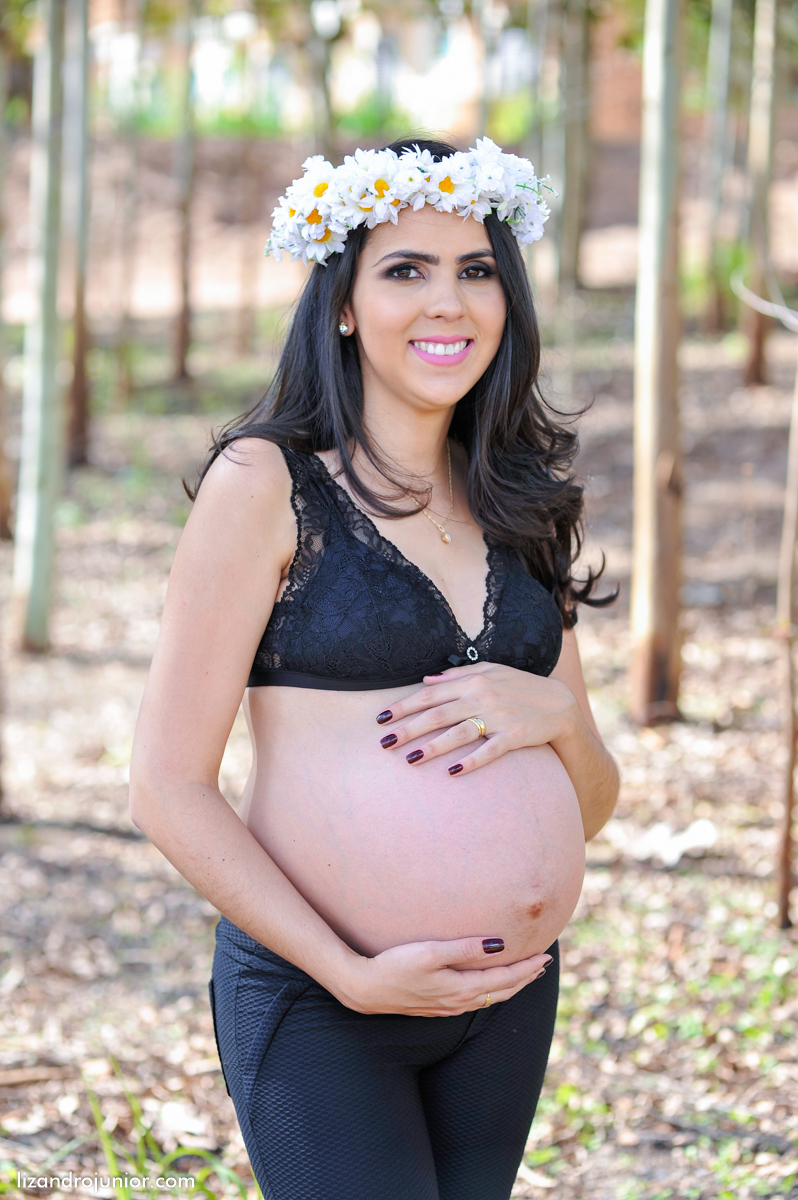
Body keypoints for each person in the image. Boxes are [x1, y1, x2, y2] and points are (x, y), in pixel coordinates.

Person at [130, 136, 619, 1200]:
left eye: (476, 270)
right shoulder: (266, 485)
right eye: (406, 270)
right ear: (343, 305)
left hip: (507, 998)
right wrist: (347, 969)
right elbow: (166, 786)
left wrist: (558, 718)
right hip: (325, 999)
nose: (449, 303)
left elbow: (592, 804)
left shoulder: (520, 500)